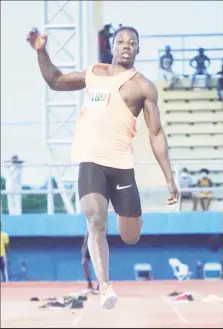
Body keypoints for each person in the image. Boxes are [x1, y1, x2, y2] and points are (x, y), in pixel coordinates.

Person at [27, 26, 179, 309]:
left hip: (121, 167)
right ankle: (106, 286)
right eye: (121, 41)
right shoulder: (93, 74)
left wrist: (169, 177)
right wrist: (41, 51)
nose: (126, 46)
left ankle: (131, 215)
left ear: (138, 49)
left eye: (132, 42)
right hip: (91, 160)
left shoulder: (143, 86)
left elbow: (156, 134)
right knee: (96, 220)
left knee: (129, 236)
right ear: (111, 46)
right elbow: (56, 80)